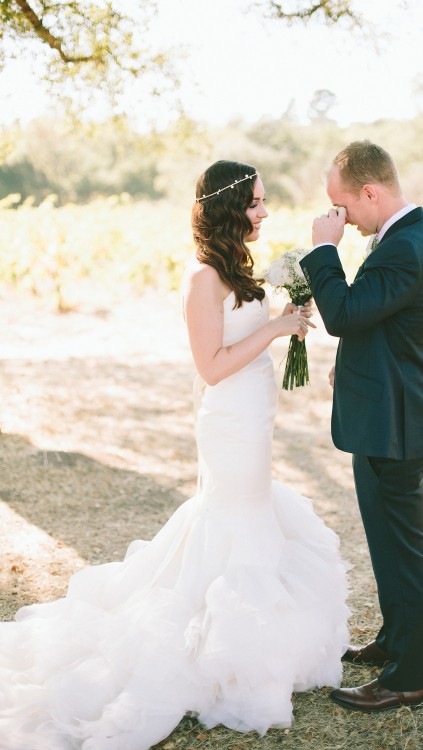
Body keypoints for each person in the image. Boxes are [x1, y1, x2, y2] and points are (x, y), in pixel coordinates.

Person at [0, 160, 350, 750]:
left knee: (254, 513)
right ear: (226, 207)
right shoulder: (201, 279)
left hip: (254, 416)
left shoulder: (236, 267)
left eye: (264, 202)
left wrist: (287, 321)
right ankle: (216, 646)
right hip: (229, 423)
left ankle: (260, 640)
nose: (265, 213)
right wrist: (274, 328)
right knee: (232, 519)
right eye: (255, 203)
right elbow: (211, 367)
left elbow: (244, 342)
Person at [300, 140, 423, 712]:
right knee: (389, 548)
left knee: (402, 553)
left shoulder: (408, 248)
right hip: (392, 417)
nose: (337, 218)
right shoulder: (408, 238)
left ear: (370, 192)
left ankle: (408, 677)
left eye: (340, 207)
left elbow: (342, 313)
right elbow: (380, 321)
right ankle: (395, 641)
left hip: (399, 427)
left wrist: (323, 250)